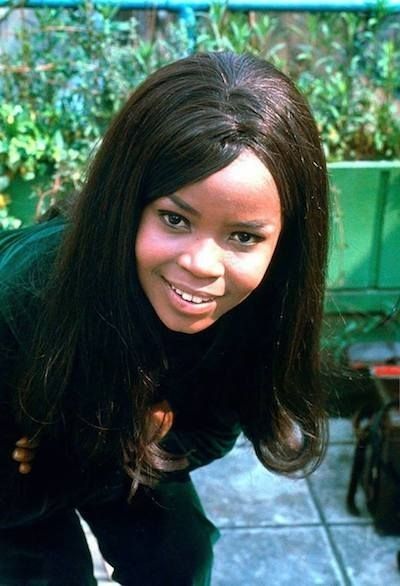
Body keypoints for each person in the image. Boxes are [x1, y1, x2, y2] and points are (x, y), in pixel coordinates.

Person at [0, 51, 329, 585]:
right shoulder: (25, 289)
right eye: (175, 219)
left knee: (180, 558)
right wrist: (62, 441)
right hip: (18, 467)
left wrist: (137, 439)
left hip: (127, 452)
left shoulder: (261, 311)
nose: (202, 265)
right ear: (124, 205)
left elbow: (212, 429)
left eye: (243, 236)